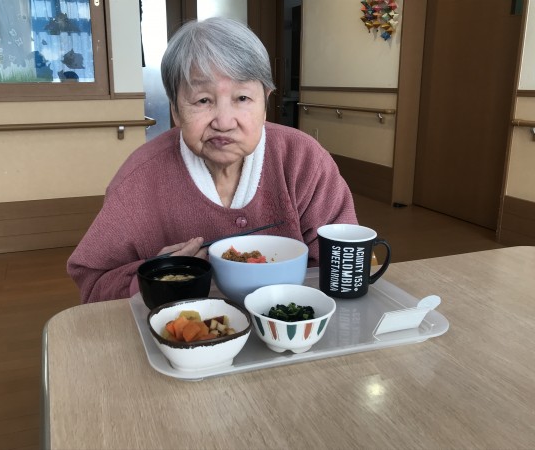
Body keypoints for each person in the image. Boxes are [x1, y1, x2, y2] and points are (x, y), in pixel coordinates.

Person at [67, 17, 357, 303]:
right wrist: (154, 274)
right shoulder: (139, 178)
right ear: (176, 110)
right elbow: (94, 285)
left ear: (265, 103)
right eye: (203, 100)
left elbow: (344, 262)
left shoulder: (303, 160)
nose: (224, 122)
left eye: (242, 98)